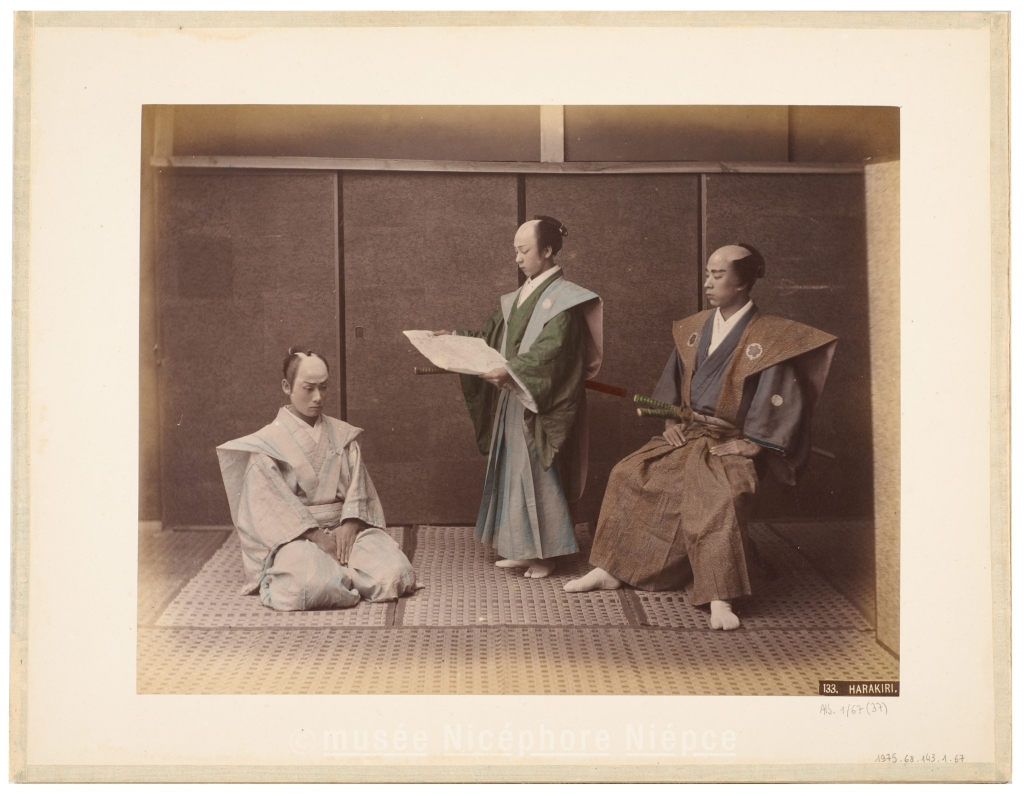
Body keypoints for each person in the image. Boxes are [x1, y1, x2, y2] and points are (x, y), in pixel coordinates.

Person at [564, 244, 837, 631]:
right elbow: (672, 385)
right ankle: (612, 569)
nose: (708, 282)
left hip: (730, 440)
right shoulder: (693, 329)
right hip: (691, 431)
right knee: (629, 473)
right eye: (708, 273)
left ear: (742, 282)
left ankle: (720, 596)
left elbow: (780, 398)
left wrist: (756, 442)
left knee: (719, 496)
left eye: (718, 275)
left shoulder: (769, 337)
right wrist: (670, 421)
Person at [434, 216, 603, 578]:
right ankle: (521, 549)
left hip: (537, 397)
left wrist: (512, 371)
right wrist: (457, 338)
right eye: (515, 251)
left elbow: (552, 352)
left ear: (548, 250)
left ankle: (544, 555)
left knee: (536, 474)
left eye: (524, 251)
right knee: (511, 470)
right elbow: (493, 337)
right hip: (513, 395)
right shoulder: (520, 296)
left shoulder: (564, 301)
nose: (517, 258)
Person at [216, 348, 418, 611]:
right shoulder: (267, 444)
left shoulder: (342, 434)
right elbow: (273, 508)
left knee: (396, 574)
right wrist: (317, 537)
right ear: (287, 386)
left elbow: (358, 490)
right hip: (298, 537)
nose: (318, 397)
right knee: (310, 588)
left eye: (324, 387)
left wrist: (350, 524)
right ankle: (343, 574)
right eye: (308, 388)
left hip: (344, 529)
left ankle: (341, 572)